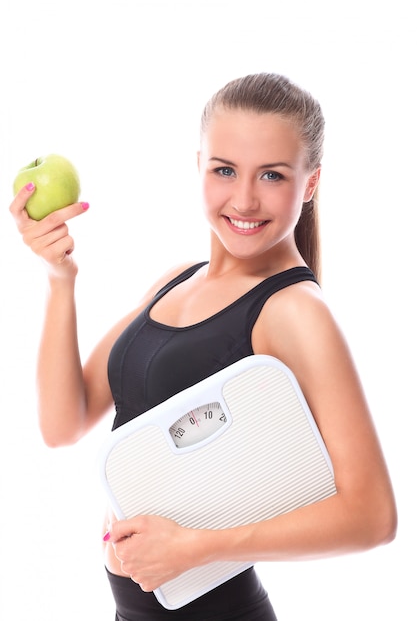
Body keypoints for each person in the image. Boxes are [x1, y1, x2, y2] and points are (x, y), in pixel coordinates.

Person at [10, 72, 397, 621]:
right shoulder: (177, 281)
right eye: (224, 170)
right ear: (198, 167)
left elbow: (373, 516)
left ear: (309, 184)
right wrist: (59, 277)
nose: (244, 198)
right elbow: (62, 423)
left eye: (272, 174)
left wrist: (194, 549)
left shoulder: (295, 312)